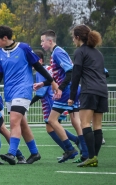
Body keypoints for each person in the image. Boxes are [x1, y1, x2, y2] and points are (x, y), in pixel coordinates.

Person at [0, 25, 58, 165]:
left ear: (5, 38)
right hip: (9, 91)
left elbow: (38, 66)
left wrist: (52, 82)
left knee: (14, 120)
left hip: (23, 89)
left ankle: (12, 153)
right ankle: (34, 153)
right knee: (22, 123)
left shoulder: (24, 48)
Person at [37, 29, 88, 163]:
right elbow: (57, 76)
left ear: (50, 41)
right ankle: (85, 151)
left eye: (42, 41)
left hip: (67, 90)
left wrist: (60, 88)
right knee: (75, 120)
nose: (41, 44)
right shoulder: (57, 52)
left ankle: (70, 149)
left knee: (52, 121)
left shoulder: (58, 52)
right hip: (74, 88)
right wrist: (42, 84)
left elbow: (70, 72)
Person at [68, 24, 108, 167]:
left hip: (89, 91)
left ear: (78, 37)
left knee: (84, 123)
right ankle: (94, 157)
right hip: (103, 91)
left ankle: (91, 157)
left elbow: (76, 75)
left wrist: (71, 96)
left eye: (73, 37)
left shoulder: (80, 52)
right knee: (97, 126)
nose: (73, 40)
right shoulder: (98, 53)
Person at [31, 50, 82, 160]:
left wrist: (28, 103)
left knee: (51, 128)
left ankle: (69, 149)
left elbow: (41, 93)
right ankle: (74, 143)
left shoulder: (41, 71)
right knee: (54, 127)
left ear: (39, 60)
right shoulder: (49, 68)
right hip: (58, 98)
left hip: (51, 100)